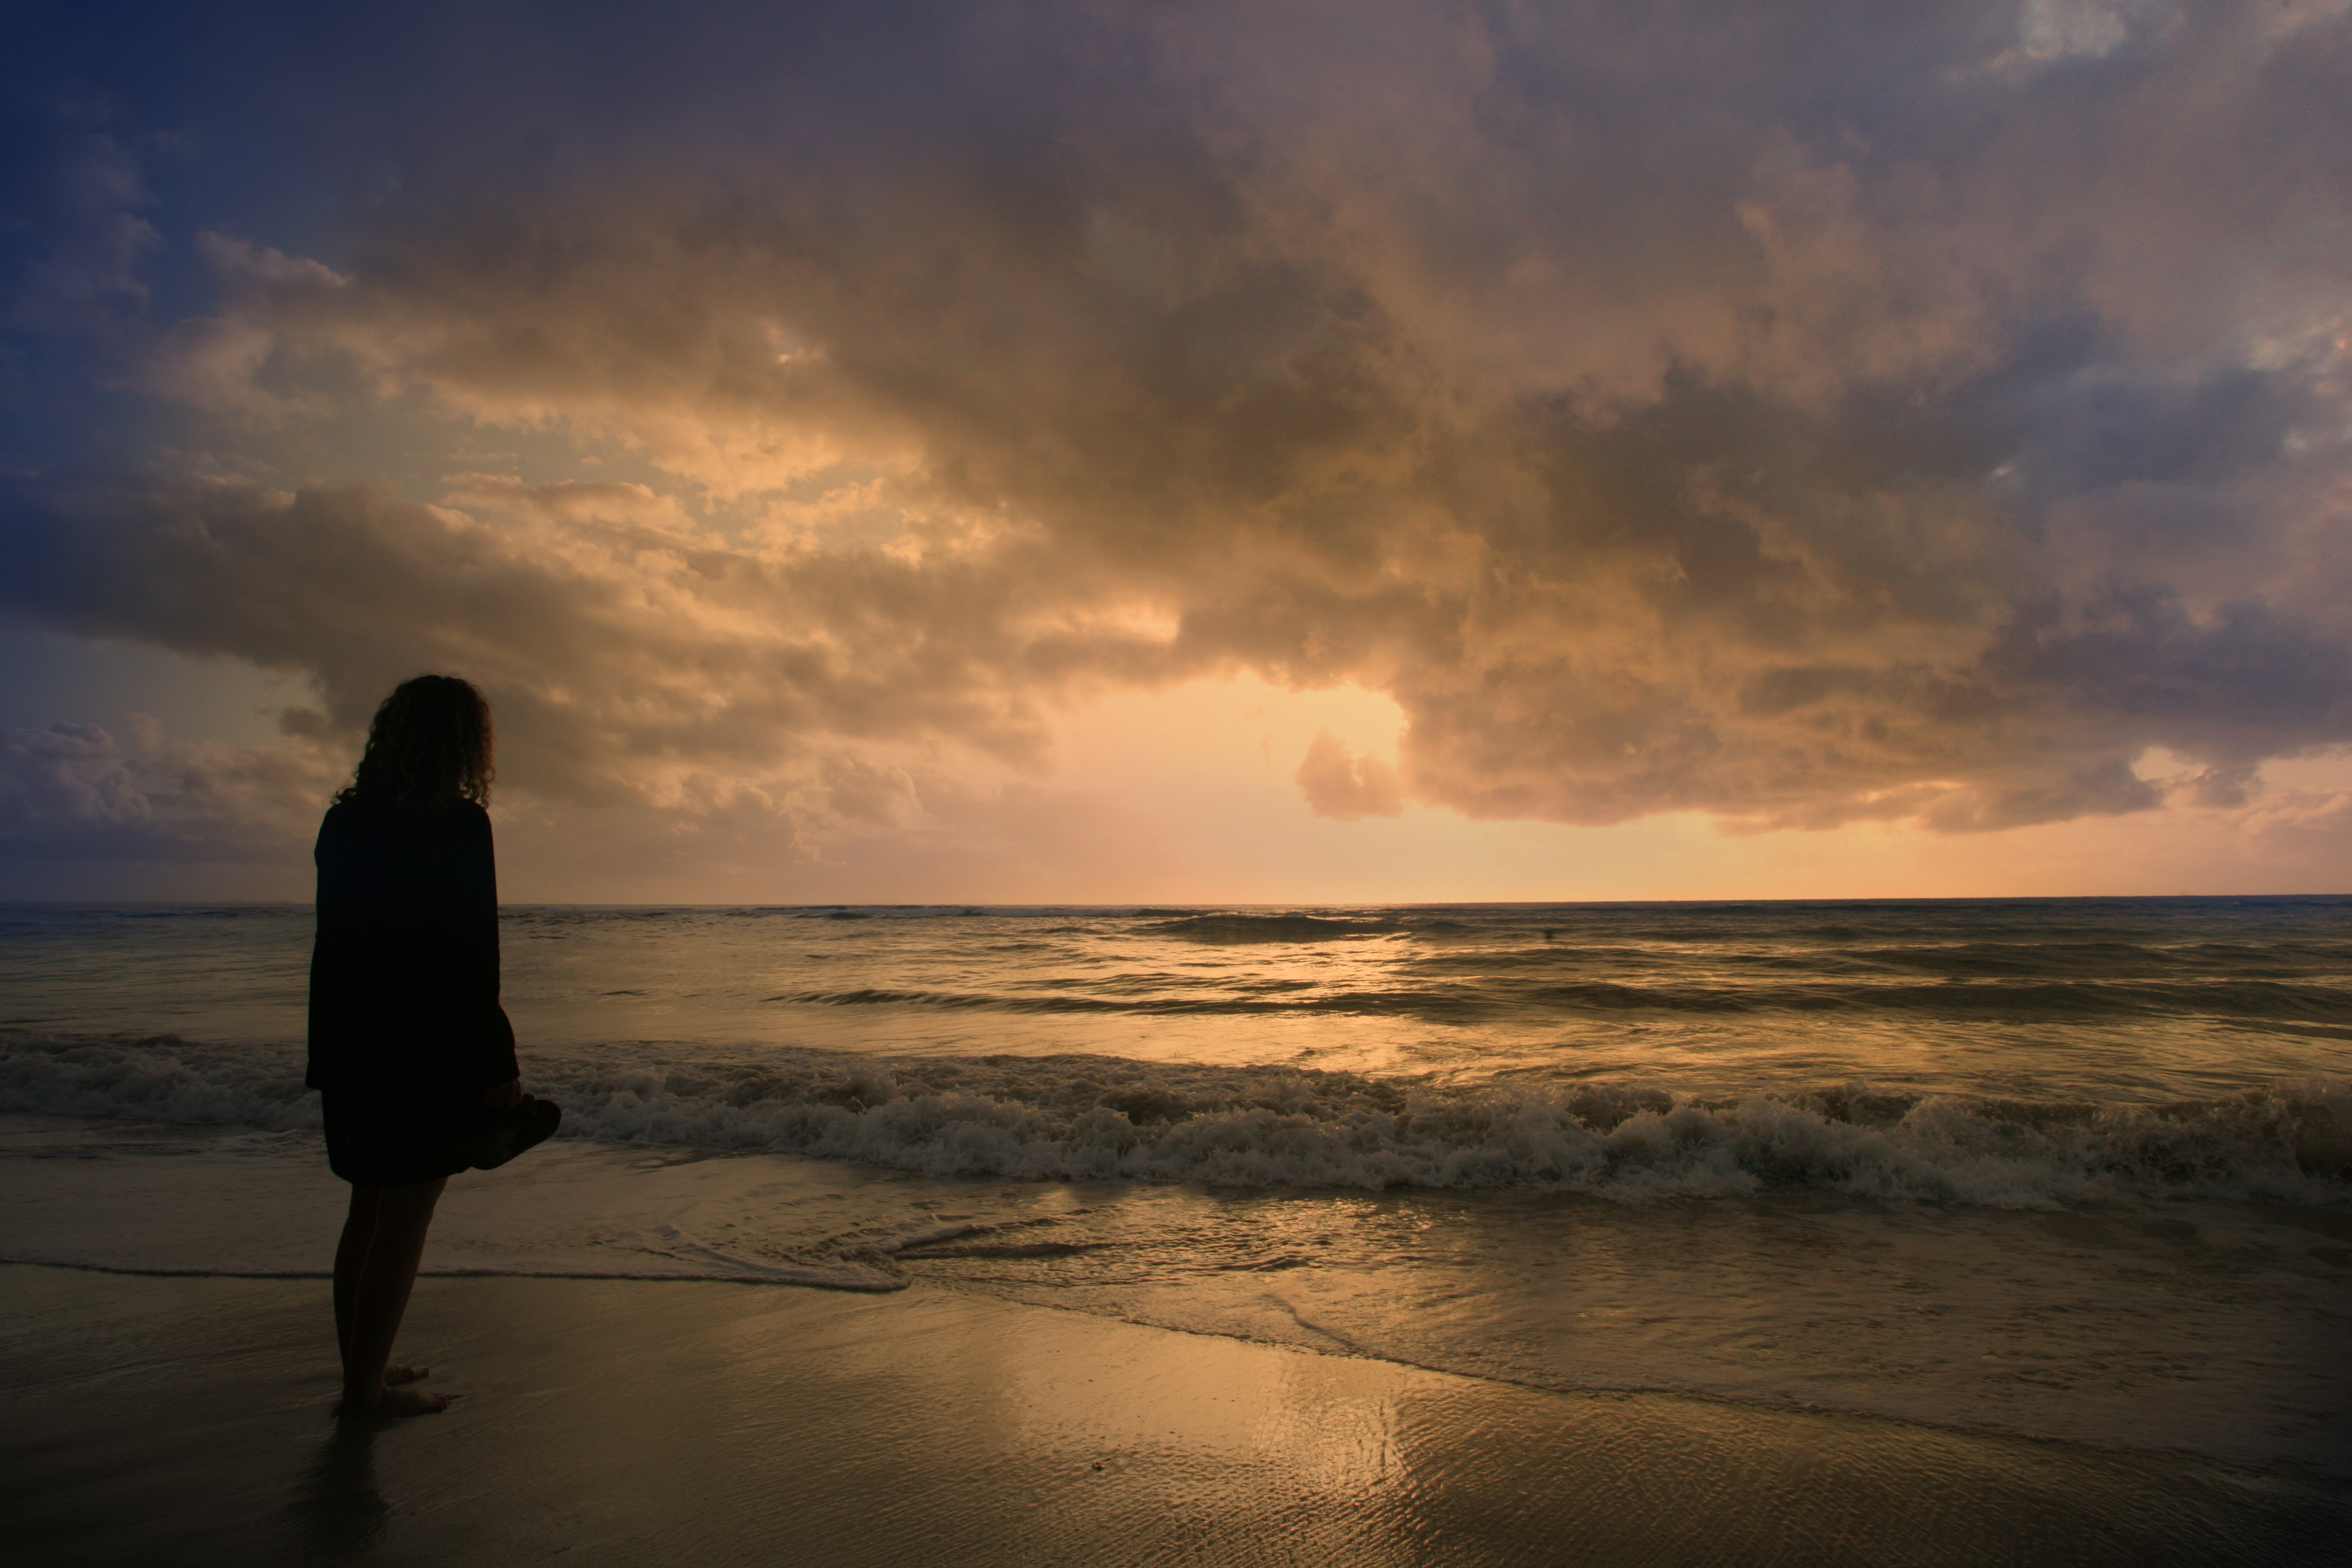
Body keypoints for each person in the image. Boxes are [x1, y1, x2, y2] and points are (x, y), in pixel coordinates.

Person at [307, 675, 520, 1418]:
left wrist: (324, 1051)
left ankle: (361, 1367)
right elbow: (469, 952)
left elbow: (332, 947)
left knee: (368, 1208)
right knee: (408, 1214)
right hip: (423, 1048)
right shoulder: (459, 826)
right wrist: (496, 1060)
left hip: (353, 1044)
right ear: (464, 745)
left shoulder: (346, 823)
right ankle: (364, 1391)